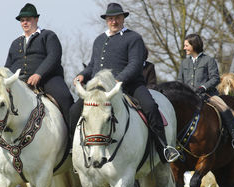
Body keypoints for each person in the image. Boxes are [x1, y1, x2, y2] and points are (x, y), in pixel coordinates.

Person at [70, 2, 180, 163]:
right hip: (101, 91)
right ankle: (73, 151)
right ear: (106, 20)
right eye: (110, 18)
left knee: (150, 106)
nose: (114, 21)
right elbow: (92, 65)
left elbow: (135, 64)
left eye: (117, 18)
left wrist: (119, 80)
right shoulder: (99, 40)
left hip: (130, 85)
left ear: (123, 18)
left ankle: (163, 147)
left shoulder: (134, 38)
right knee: (74, 111)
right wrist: (81, 75)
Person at [0, 3, 73, 160]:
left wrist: (39, 74)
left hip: (48, 80)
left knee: (66, 98)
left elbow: (54, 57)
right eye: (22, 20)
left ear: (36, 19)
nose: (25, 23)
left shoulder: (48, 36)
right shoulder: (15, 43)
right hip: (20, 84)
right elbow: (8, 67)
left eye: (28, 19)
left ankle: (72, 145)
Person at [177, 33, 234, 151]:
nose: (184, 48)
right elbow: (179, 80)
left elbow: (215, 78)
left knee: (224, 108)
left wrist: (203, 87)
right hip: (189, 97)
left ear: (194, 45)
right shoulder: (184, 63)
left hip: (207, 95)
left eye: (186, 45)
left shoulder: (209, 60)